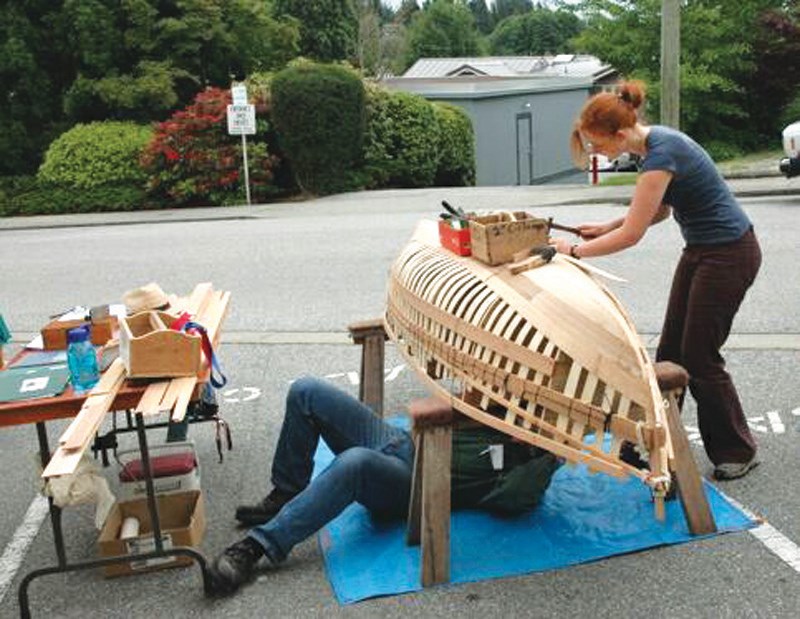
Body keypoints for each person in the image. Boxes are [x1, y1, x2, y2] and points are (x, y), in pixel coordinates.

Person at [550, 80, 761, 481]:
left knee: (699, 357)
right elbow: (658, 213)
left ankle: (738, 449)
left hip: (730, 253)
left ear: (620, 133)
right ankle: (650, 444)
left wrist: (573, 252)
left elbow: (633, 234)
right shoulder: (655, 146)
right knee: (670, 353)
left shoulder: (660, 154)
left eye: (598, 145)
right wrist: (606, 225)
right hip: (702, 250)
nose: (598, 153)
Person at [207, 376, 560, 595]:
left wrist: (546, 454)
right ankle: (287, 492)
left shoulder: (532, 467)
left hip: (412, 485)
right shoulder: (498, 402)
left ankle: (256, 547)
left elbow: (513, 501)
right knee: (306, 391)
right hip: (396, 440)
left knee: (355, 464)